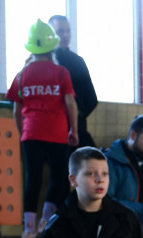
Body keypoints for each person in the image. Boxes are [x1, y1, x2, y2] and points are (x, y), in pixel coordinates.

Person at [7, 19, 79, 238]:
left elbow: (16, 110)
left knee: (33, 180)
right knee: (59, 177)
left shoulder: (22, 75)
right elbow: (70, 104)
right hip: (57, 132)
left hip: (31, 133)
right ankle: (46, 222)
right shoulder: (61, 72)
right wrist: (74, 130)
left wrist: (22, 133)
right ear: (51, 47)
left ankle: (27, 232)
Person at [48, 15, 97, 148]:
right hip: (50, 129)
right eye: (60, 31)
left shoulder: (78, 62)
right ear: (50, 34)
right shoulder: (41, 61)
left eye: (68, 31)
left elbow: (91, 99)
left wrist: (77, 115)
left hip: (77, 128)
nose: (65, 35)